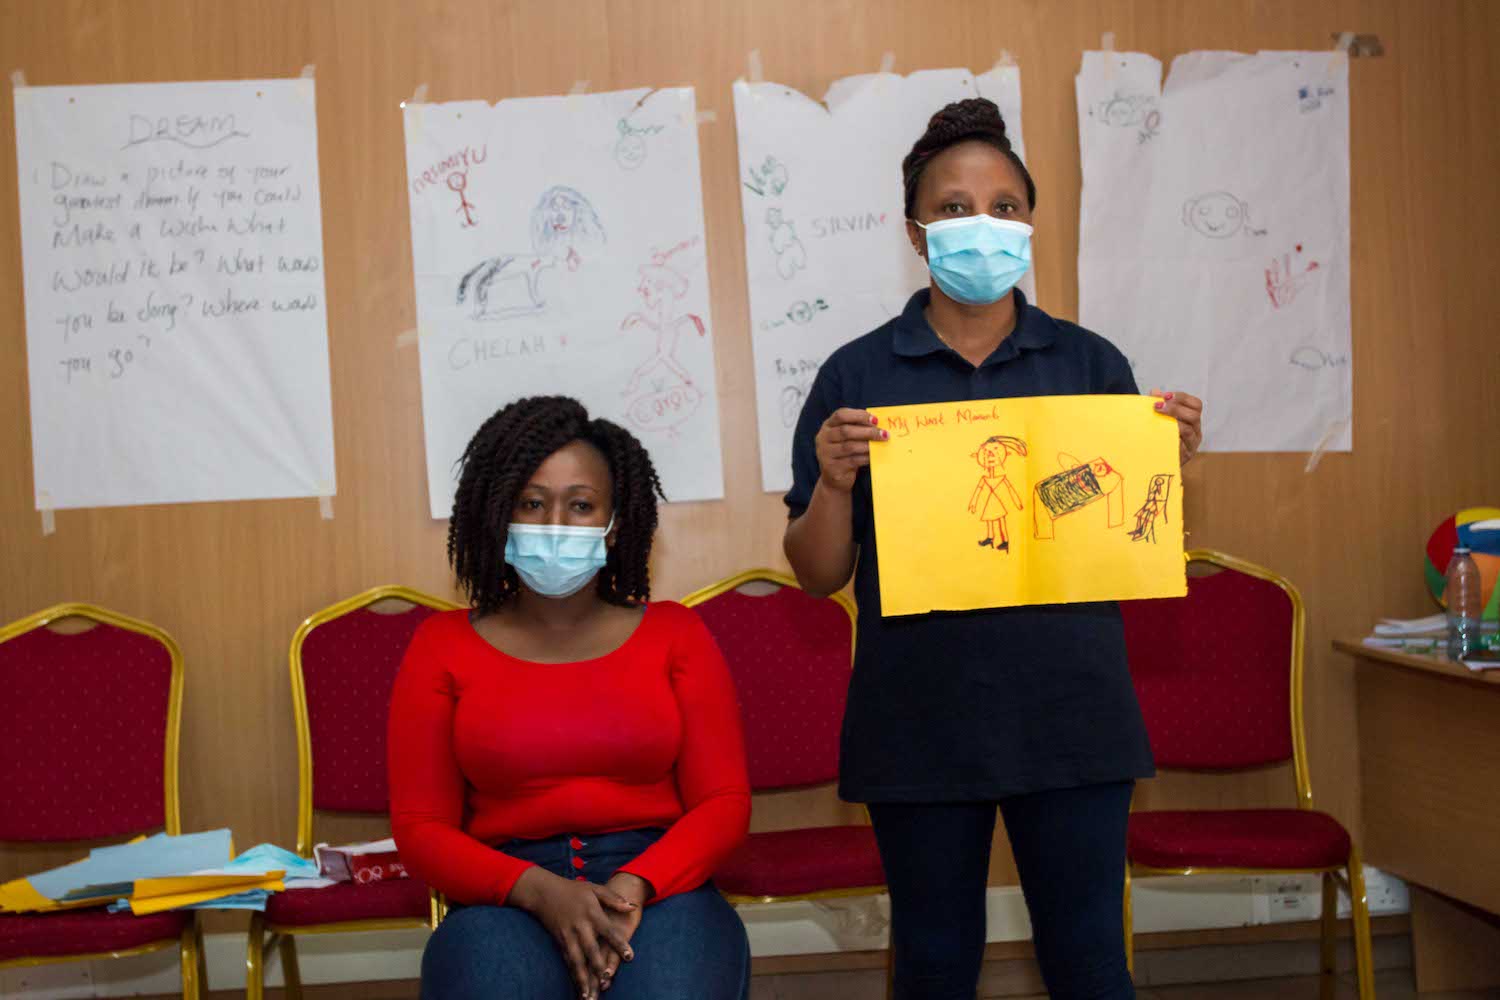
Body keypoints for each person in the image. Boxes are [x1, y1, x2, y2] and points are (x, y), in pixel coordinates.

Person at [782, 99, 1205, 1000]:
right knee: (934, 964)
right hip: (919, 720)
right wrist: (831, 483)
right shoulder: (856, 376)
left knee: (1089, 960)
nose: (984, 225)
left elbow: (1137, 538)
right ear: (915, 231)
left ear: (1031, 223)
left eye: (1006, 205)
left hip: (1073, 717)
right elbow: (819, 576)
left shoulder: (1092, 366)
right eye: (954, 206)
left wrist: (1160, 468)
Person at [389, 396, 751, 1000]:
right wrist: (538, 890)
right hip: (504, 889)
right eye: (532, 503)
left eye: (581, 505)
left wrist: (636, 884)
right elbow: (422, 828)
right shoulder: (439, 646)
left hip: (659, 884)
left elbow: (724, 803)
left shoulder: (676, 634)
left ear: (615, 523)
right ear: (495, 512)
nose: (555, 522)